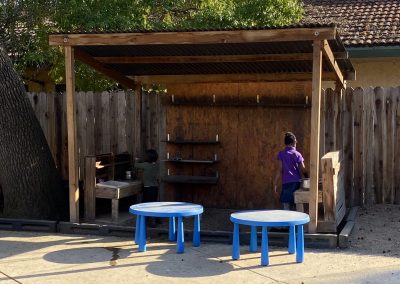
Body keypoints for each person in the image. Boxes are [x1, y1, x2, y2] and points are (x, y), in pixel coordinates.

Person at [274, 132, 308, 211]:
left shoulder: (281, 154)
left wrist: (275, 184)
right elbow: (303, 168)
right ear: (293, 143)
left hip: (286, 184)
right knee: (297, 203)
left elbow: (279, 170)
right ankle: (296, 222)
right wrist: (307, 177)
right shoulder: (297, 154)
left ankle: (287, 222)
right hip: (296, 183)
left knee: (286, 206)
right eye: (296, 142)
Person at [134, 149, 160, 227]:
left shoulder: (145, 165)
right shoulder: (156, 165)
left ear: (147, 158)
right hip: (155, 187)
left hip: (148, 188)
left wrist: (136, 160)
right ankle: (156, 219)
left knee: (146, 204)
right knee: (154, 203)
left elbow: (136, 165)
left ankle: (151, 221)